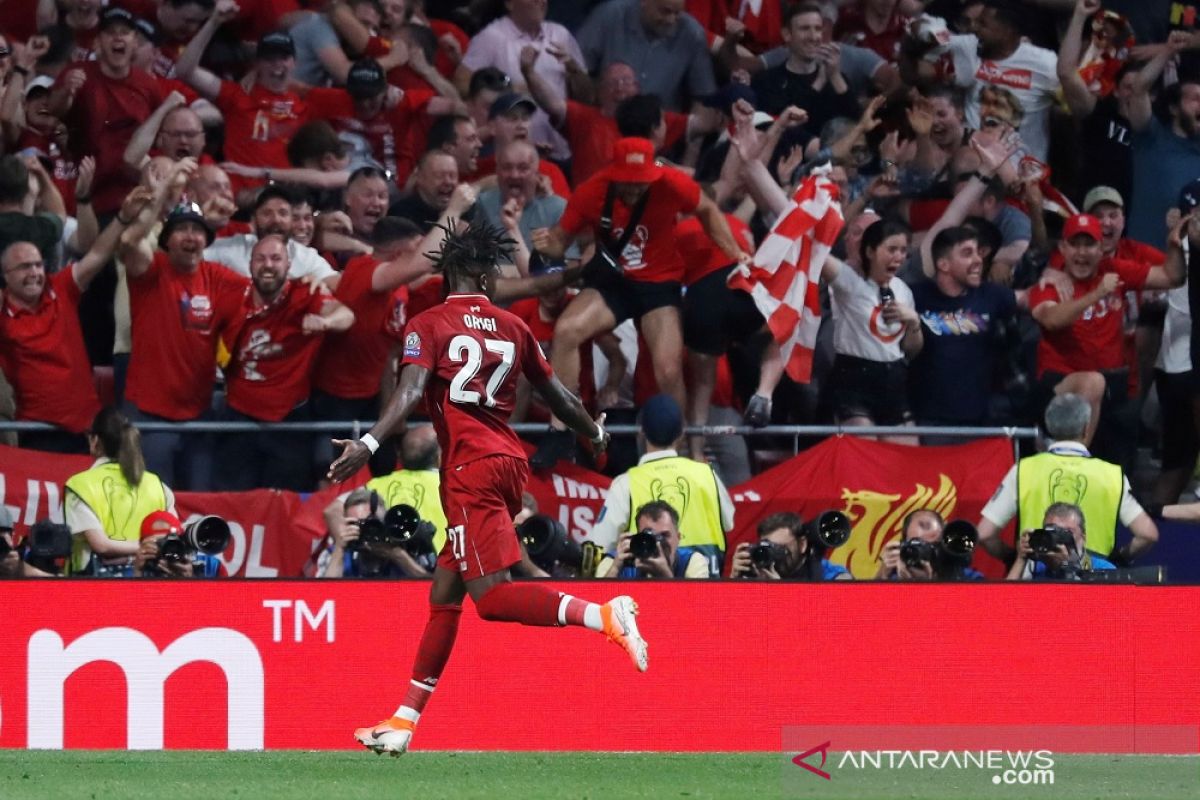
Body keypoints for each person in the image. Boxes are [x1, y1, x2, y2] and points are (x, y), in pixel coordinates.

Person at [327, 222, 647, 756]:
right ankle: (403, 722)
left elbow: (408, 394)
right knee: (444, 597)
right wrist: (592, 432)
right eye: (495, 273)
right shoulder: (511, 327)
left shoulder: (429, 324)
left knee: (493, 600)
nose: (500, 283)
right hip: (506, 463)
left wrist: (369, 442)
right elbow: (559, 394)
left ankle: (603, 614)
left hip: (469, 470)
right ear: (476, 272)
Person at [530, 137, 746, 466]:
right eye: (627, 184)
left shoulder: (672, 183)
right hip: (614, 281)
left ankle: (678, 448)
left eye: (640, 184)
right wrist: (549, 245)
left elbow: (707, 208)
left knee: (668, 368)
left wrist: (735, 255)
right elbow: (561, 243)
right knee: (567, 329)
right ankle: (562, 429)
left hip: (659, 284)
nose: (633, 190)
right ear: (613, 174)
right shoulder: (591, 191)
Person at [0, 187, 150, 452]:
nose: (35, 273)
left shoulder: (60, 288)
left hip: (86, 432)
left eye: (38, 264)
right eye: (24, 267)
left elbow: (98, 254)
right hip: (37, 434)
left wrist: (123, 219)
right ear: (6, 276)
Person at [214, 235, 355, 491]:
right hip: (237, 419)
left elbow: (346, 315)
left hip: (289, 422)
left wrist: (325, 323)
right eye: (261, 258)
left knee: (284, 505)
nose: (268, 265)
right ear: (250, 263)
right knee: (235, 502)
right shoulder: (232, 296)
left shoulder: (305, 294)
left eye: (276, 258)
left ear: (289, 265)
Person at [976, 392, 1158, 564]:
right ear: (1087, 428)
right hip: (1094, 583)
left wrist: (1014, 558)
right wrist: (1117, 559)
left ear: (1048, 426)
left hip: (1034, 583)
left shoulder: (1023, 470)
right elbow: (1147, 534)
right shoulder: (1112, 475)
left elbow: (984, 534)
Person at [588, 394, 734, 575]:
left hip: (647, 595)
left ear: (641, 432)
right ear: (682, 432)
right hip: (706, 594)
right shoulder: (707, 475)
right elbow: (729, 523)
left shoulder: (626, 484)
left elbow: (598, 545)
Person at [63, 406, 175, 576]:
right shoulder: (158, 485)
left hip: (94, 588)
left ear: (95, 440)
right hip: (148, 582)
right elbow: (172, 536)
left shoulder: (80, 485)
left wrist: (141, 549)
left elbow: (101, 545)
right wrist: (148, 549)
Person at [575, 0, 717, 112]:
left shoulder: (692, 34)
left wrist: (693, 142)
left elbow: (704, 99)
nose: (671, 20)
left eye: (678, 13)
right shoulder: (611, 14)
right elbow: (575, 68)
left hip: (659, 134)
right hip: (604, 121)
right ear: (644, 1)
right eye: (665, 11)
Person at [596, 500, 712, 578]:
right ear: (637, 537)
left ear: (678, 538)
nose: (658, 544)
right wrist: (615, 568)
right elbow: (597, 607)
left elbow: (697, 610)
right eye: (649, 536)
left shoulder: (691, 561)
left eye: (664, 536)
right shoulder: (616, 560)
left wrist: (665, 576)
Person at [1006, 502, 1116, 580]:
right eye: (1052, 531)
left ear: (1083, 537)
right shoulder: (1034, 567)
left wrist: (1068, 568)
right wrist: (1021, 559)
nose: (1059, 539)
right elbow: (1004, 601)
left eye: (1067, 532)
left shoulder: (1103, 568)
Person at [730, 512, 852, 580]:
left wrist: (782, 592)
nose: (775, 556)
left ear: (802, 544)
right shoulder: (757, 572)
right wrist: (733, 582)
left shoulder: (832, 576)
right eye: (768, 548)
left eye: (781, 549)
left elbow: (828, 620)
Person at [876, 509, 982, 580]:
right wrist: (882, 576)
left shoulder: (970, 579)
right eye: (915, 548)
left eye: (926, 526)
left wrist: (932, 583)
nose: (925, 553)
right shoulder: (898, 577)